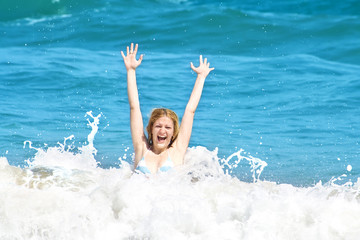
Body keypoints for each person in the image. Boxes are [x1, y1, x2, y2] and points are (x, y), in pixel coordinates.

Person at [121, 43, 214, 174]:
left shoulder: (177, 150)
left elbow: (190, 110)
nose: (162, 131)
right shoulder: (141, 148)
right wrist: (131, 71)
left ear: (173, 132)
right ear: (151, 129)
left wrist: (201, 77)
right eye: (158, 126)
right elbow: (134, 107)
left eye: (168, 127)